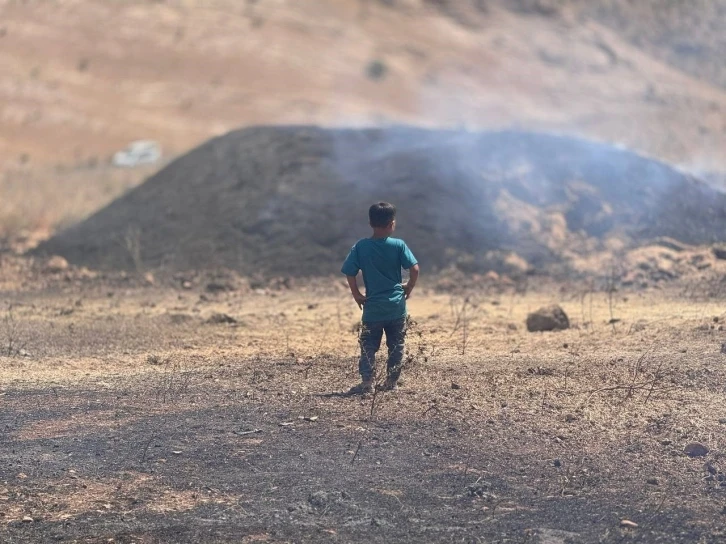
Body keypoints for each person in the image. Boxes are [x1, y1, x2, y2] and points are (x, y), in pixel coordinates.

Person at [341, 202, 419, 394]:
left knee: (368, 345)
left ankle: (367, 382)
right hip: (396, 307)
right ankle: (391, 382)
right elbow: (414, 269)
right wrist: (408, 287)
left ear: (370, 223)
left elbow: (350, 272)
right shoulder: (398, 245)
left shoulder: (361, 246)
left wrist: (357, 294)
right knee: (396, 346)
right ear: (392, 224)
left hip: (373, 307)